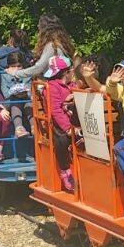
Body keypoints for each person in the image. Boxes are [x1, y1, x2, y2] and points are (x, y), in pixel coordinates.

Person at [42, 55, 79, 191]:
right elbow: (55, 110)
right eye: (71, 70)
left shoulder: (71, 85)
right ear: (66, 72)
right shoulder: (51, 87)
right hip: (57, 123)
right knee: (61, 139)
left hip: (72, 120)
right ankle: (65, 171)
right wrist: (68, 128)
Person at [19, 14, 77, 80]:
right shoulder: (62, 44)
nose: (38, 26)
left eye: (39, 25)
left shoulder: (52, 46)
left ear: (44, 29)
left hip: (52, 85)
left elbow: (39, 68)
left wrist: (16, 73)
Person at [0, 51, 33, 138]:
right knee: (15, 103)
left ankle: (34, 127)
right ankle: (19, 128)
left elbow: (29, 91)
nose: (16, 69)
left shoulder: (26, 75)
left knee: (29, 103)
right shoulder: (4, 75)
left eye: (19, 66)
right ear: (8, 67)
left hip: (24, 98)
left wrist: (25, 93)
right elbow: (6, 94)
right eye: (13, 67)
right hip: (11, 100)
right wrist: (13, 78)